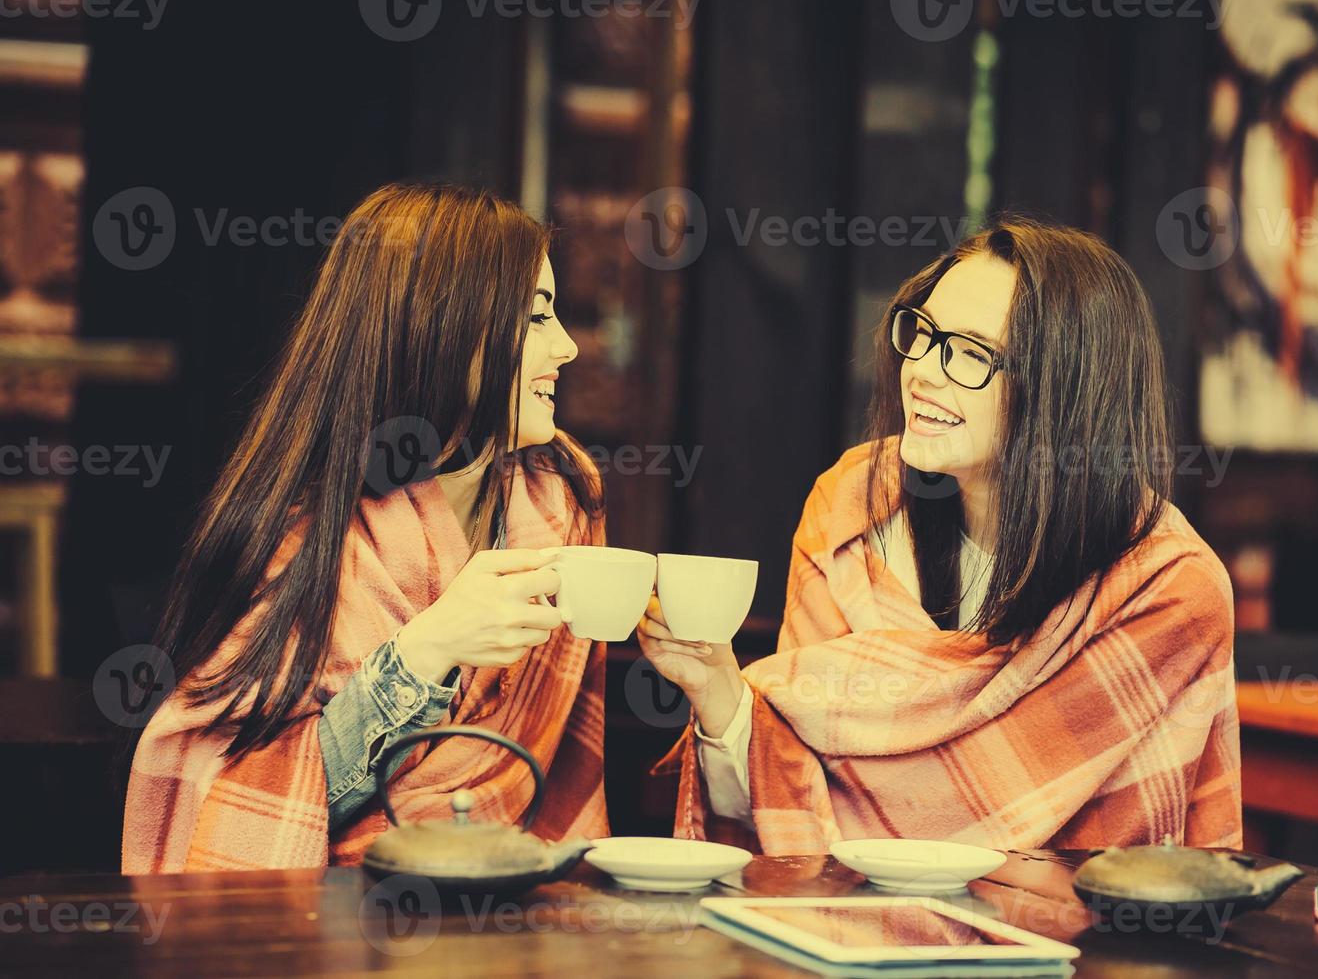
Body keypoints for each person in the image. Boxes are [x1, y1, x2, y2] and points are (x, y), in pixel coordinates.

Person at [641, 217, 1242, 853]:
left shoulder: (1165, 589)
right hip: (838, 929)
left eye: (972, 353)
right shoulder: (852, 507)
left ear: (1067, 388)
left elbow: (1061, 848)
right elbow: (781, 794)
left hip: (1061, 942)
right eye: (922, 334)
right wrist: (719, 692)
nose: (923, 372)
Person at [123, 183, 608, 872]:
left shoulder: (564, 502)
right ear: (441, 330)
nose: (567, 348)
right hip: (340, 919)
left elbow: (557, 783)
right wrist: (423, 653)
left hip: (517, 903)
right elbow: (226, 792)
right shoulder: (308, 532)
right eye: (536, 319)